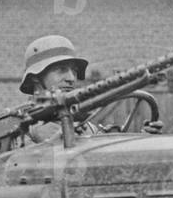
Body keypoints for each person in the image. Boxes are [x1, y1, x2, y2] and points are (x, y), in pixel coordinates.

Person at [19, 35, 162, 142]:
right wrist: (54, 145)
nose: (71, 78)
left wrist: (143, 140)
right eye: (61, 70)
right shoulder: (21, 128)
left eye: (74, 71)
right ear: (36, 77)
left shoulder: (86, 126)